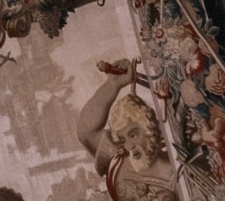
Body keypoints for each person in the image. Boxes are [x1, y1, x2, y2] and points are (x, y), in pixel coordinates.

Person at [77, 61, 182, 201]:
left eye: (133, 135)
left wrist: (113, 84)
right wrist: (112, 85)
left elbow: (86, 132)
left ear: (149, 130)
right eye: (122, 140)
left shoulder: (177, 172)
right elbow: (87, 132)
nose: (129, 146)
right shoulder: (119, 160)